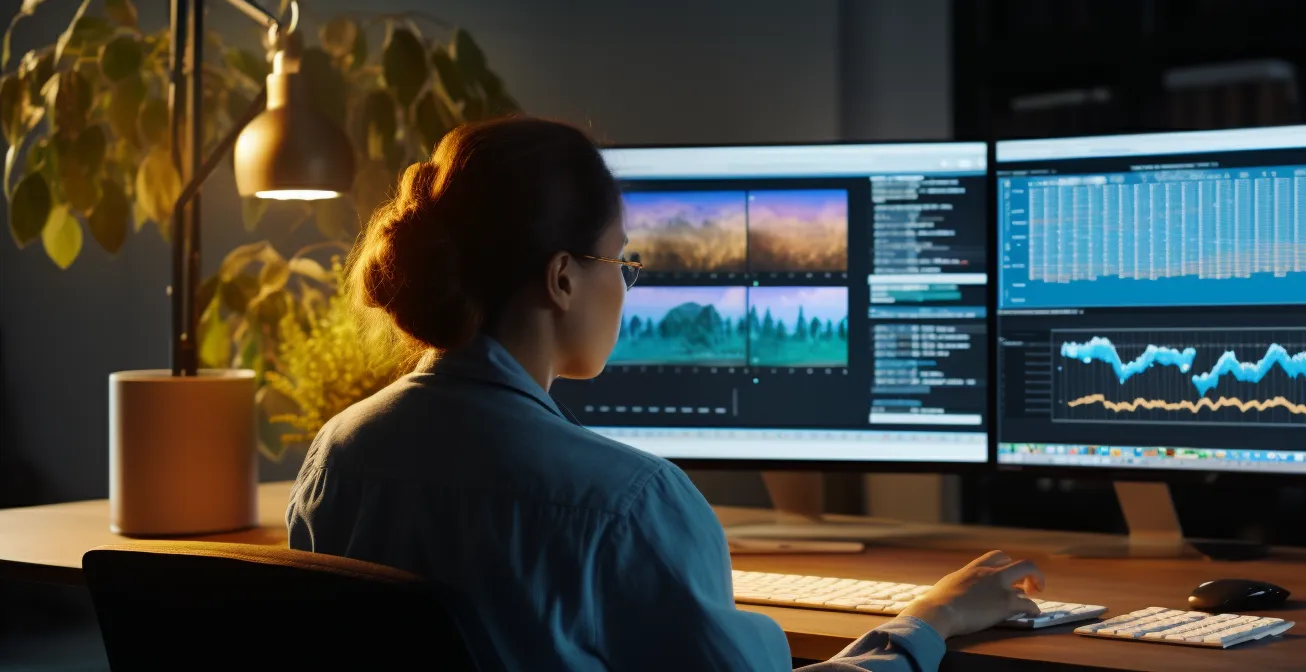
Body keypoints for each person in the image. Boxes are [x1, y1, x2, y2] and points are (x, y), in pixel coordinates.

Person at [286, 117, 1045, 671]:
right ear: (561, 278)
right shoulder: (628, 502)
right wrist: (929, 621)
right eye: (619, 259)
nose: (626, 284)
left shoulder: (337, 457)